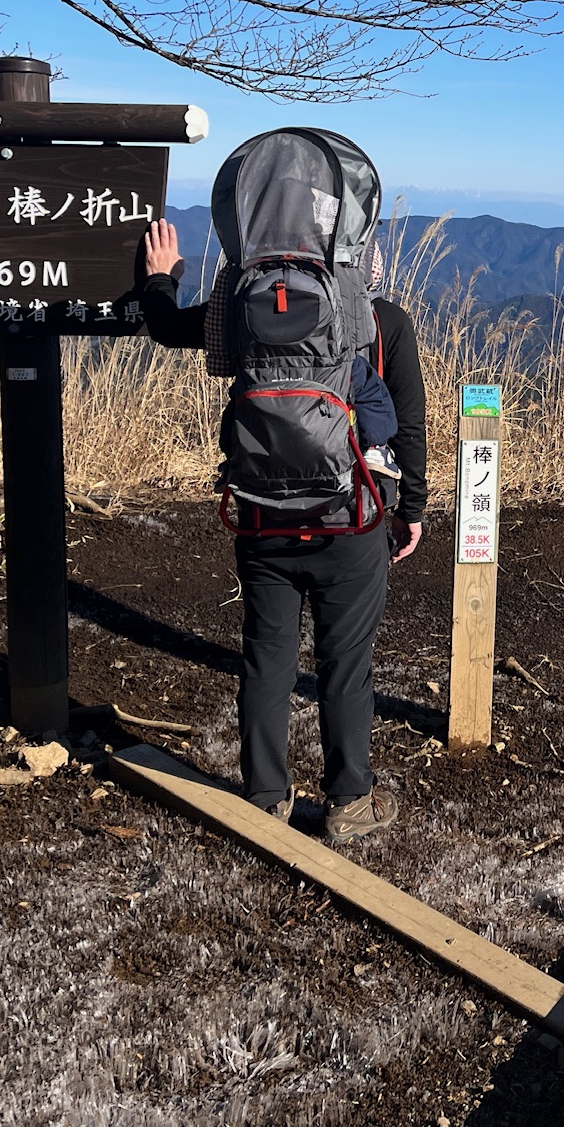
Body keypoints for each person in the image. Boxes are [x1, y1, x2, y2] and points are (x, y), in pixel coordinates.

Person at [137, 217, 427, 843]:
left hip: (262, 516)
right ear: (358, 265)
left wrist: (163, 276)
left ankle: (265, 796)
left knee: (267, 657)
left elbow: (162, 328)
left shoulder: (241, 311)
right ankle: (350, 801)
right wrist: (413, 509)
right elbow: (406, 426)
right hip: (352, 521)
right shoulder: (382, 322)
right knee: (346, 663)